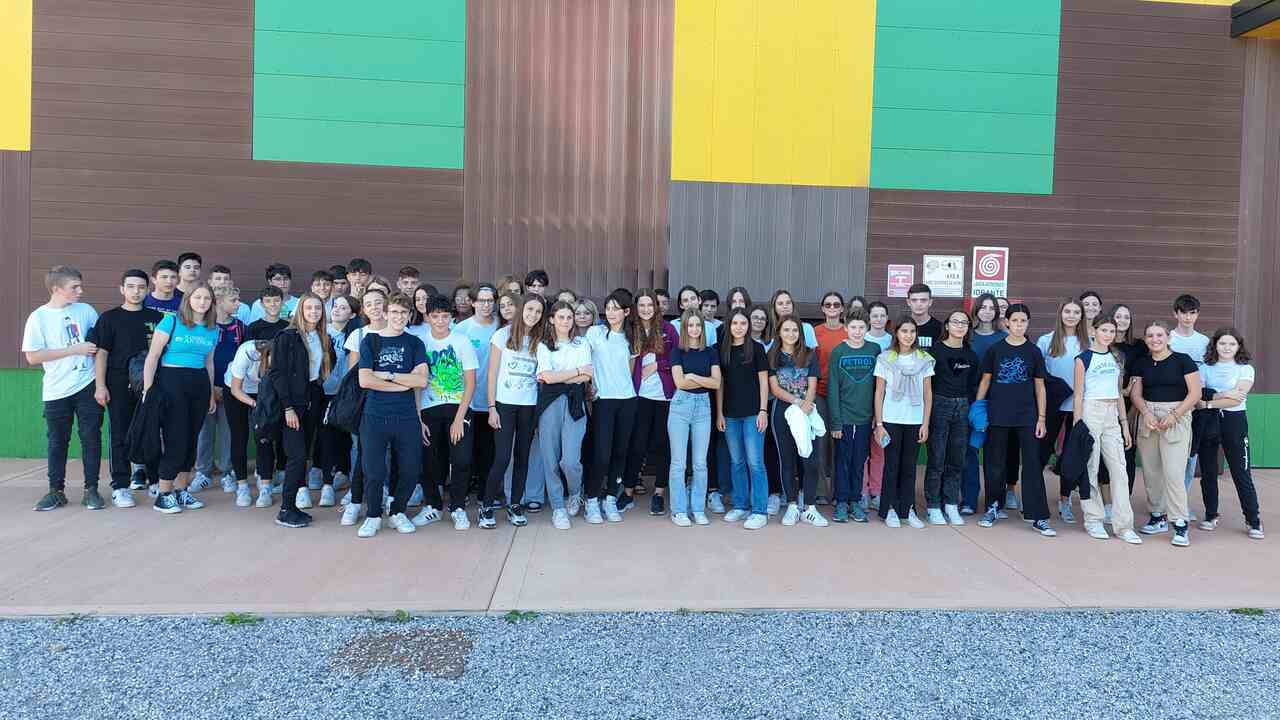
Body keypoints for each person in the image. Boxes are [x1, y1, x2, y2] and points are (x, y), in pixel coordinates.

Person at [24, 266, 104, 511]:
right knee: (57, 441)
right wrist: (73, 350)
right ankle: (55, 491)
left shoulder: (86, 310)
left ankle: (91, 490)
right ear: (56, 289)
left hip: (87, 384)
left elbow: (99, 346)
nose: (80, 291)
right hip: (56, 389)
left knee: (91, 437)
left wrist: (100, 384)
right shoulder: (38, 317)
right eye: (74, 287)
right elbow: (32, 356)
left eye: (80, 286)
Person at [975, 303, 1054, 537]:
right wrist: (977, 411)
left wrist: (1041, 418)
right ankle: (993, 507)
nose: (1019, 325)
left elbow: (1040, 387)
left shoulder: (1034, 352)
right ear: (1006, 322)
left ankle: (1038, 515)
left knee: (1032, 465)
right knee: (994, 463)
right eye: (1015, 320)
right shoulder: (995, 350)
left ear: (1028, 323)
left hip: (1027, 416)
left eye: (1023, 321)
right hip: (997, 415)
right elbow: (985, 382)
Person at [354, 292, 428, 538]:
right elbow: (365, 380)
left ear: (409, 316)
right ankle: (373, 516)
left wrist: (388, 375)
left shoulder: (415, 343)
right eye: (394, 312)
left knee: (410, 469)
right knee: (374, 471)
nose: (399, 317)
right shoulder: (371, 341)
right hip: (375, 415)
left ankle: (397, 511)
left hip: (406, 416)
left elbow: (422, 380)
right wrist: (402, 384)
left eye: (404, 313)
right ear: (385, 313)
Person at [142, 284, 218, 515]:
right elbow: (153, 356)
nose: (202, 302)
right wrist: (148, 389)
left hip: (199, 384)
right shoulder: (171, 322)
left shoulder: (212, 329)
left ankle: (181, 490)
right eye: (198, 297)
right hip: (172, 382)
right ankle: (164, 494)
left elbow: (209, 363)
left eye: (207, 298)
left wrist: (211, 394)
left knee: (191, 439)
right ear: (188, 299)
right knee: (176, 438)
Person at [91, 269, 164, 507]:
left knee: (151, 431)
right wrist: (100, 385)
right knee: (120, 434)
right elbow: (102, 354)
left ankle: (155, 480)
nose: (136, 291)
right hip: (118, 383)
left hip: (150, 382)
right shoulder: (109, 318)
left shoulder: (157, 317)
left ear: (147, 290)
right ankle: (121, 486)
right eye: (131, 287)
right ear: (122, 289)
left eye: (141, 287)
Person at [411, 293, 480, 529]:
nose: (440, 321)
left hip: (459, 408)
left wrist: (460, 419)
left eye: (445, 316)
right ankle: (433, 506)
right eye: (435, 316)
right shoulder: (420, 342)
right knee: (429, 460)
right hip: (429, 408)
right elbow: (417, 382)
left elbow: (471, 382)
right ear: (427, 317)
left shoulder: (461, 341)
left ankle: (458, 507)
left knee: (461, 459)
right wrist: (418, 417)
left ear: (451, 317)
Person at [1130, 320, 1201, 547]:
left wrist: (1175, 415)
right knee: (1151, 471)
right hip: (1149, 417)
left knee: (1173, 472)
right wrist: (1146, 413)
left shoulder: (1183, 360)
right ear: (1145, 339)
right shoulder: (1141, 363)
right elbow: (1136, 394)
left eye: (1159, 335)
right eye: (1150, 335)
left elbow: (1195, 393)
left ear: (1168, 338)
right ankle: (1157, 516)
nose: (1155, 339)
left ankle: (1179, 523)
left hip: (1176, 416)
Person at [1072, 315, 1141, 544]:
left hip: (1112, 414)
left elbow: (1118, 392)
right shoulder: (1083, 359)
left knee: (1120, 469)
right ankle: (1093, 519)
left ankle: (1124, 525)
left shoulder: (1117, 357)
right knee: (1091, 467)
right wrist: (1077, 424)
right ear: (1094, 331)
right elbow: (1079, 394)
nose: (1108, 335)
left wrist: (1124, 425)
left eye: (1112, 331)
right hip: (1091, 411)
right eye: (1104, 330)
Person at [268, 294, 332, 527]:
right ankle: (285, 509)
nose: (314, 312)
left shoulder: (322, 337)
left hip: (312, 400)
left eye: (318, 308)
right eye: (309, 308)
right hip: (291, 405)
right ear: (300, 311)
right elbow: (277, 373)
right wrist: (288, 407)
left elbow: (321, 369)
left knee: (303, 455)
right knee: (295, 456)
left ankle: (293, 506)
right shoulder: (287, 336)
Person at [1197, 328, 1263, 539]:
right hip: (1208, 422)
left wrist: (1208, 402)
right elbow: (1198, 396)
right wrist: (1222, 395)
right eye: (1222, 343)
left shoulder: (1245, 369)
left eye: (1232, 344)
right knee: (1208, 472)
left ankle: (1253, 520)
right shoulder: (1205, 368)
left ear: (1238, 346)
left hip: (1234, 422)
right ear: (1215, 345)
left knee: (1240, 472)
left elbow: (1236, 400)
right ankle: (1210, 515)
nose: (1227, 348)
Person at [484, 294, 544, 527]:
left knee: (522, 457)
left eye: (538, 311)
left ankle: (515, 504)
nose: (533, 315)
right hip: (504, 404)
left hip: (529, 405)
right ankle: (486, 507)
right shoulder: (502, 335)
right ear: (521, 309)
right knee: (502, 458)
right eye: (530, 309)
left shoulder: (541, 339)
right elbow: (492, 373)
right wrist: (492, 407)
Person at [535, 301, 593, 530]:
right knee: (550, 458)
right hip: (549, 404)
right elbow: (546, 377)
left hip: (575, 403)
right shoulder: (543, 346)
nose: (566, 321)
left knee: (570, 460)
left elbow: (587, 376)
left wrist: (561, 377)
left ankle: (575, 492)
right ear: (552, 319)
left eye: (569, 317)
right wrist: (576, 372)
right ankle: (558, 507)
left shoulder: (581, 343)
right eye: (561, 317)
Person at [768, 316, 830, 527]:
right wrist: (796, 402)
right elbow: (775, 389)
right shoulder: (773, 355)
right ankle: (792, 506)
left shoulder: (809, 354)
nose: (791, 334)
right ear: (779, 332)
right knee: (787, 461)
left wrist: (806, 405)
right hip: (782, 413)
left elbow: (812, 385)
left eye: (795, 330)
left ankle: (810, 508)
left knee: (810, 460)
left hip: (807, 411)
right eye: (786, 330)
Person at [873, 316, 934, 528]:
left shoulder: (924, 359)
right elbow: (879, 392)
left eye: (912, 331)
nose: (908, 335)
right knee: (892, 465)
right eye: (904, 331)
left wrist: (925, 423)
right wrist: (879, 424)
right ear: (896, 333)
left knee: (909, 467)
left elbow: (928, 393)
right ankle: (889, 508)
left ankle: (907, 509)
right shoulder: (886, 358)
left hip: (914, 420)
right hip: (891, 419)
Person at [583, 290, 638, 522]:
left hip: (627, 400)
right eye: (608, 308)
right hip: (603, 401)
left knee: (620, 452)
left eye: (616, 308)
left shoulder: (632, 337)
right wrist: (589, 386)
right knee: (602, 454)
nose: (611, 313)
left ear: (626, 312)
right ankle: (592, 499)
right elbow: (585, 362)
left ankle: (610, 498)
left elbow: (630, 370)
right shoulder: (595, 332)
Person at [339, 289, 390, 525]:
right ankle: (356, 496)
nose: (374, 308)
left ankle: (384, 491)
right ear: (363, 309)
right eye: (369, 304)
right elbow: (355, 375)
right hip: (364, 403)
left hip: (393, 401)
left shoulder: (398, 331)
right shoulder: (358, 335)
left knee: (389, 451)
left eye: (378, 302)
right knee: (361, 450)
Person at [1036, 298, 1090, 522]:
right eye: (1067, 311)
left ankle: (1064, 500)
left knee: (1071, 456)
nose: (1071, 316)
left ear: (1081, 316)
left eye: (1076, 312)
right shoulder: (1046, 340)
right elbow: (1039, 374)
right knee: (1040, 453)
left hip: (1078, 407)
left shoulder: (1089, 341)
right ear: (1060, 313)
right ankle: (1034, 498)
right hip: (1053, 406)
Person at [718, 309, 771, 530]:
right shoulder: (722, 350)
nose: (739, 327)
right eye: (735, 323)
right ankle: (740, 505)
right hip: (730, 414)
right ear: (728, 326)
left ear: (748, 326)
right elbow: (720, 384)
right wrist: (719, 413)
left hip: (753, 414)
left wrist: (763, 410)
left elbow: (764, 382)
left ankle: (759, 511)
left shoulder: (756, 349)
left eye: (743, 323)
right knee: (736, 461)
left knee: (755, 462)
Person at [623, 290, 676, 515]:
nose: (646, 309)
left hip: (664, 396)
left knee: (662, 444)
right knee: (637, 445)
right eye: (642, 305)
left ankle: (659, 494)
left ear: (656, 307)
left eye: (650, 305)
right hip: (638, 395)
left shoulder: (667, 329)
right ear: (636, 308)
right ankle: (627, 492)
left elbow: (678, 357)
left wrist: (657, 365)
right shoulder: (630, 329)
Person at [667, 310, 721, 526]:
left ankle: (698, 508)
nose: (694, 329)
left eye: (698, 325)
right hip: (680, 406)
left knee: (700, 463)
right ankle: (679, 510)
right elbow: (680, 383)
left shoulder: (711, 352)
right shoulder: (677, 352)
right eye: (690, 325)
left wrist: (693, 376)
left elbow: (716, 383)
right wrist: (702, 380)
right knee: (678, 463)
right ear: (684, 328)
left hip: (703, 407)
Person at [924, 310, 977, 526]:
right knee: (937, 458)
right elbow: (927, 384)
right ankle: (933, 505)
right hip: (939, 405)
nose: (959, 325)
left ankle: (951, 504)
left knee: (957, 459)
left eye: (964, 322)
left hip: (962, 407)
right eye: (955, 322)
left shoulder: (971, 355)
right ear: (946, 325)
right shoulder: (935, 352)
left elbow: (973, 384)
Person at [191, 286, 246, 493]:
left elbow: (244, 359)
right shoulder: (205, 326)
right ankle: (202, 473)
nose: (238, 304)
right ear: (219, 302)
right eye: (233, 300)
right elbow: (199, 357)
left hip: (232, 388)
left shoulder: (240, 327)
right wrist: (210, 387)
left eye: (238, 299)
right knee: (203, 432)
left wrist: (230, 386)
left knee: (228, 432)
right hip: (205, 388)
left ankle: (227, 472)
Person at [827, 308, 878, 524]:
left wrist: (876, 416)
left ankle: (855, 501)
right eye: (853, 327)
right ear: (846, 328)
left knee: (859, 461)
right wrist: (836, 422)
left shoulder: (874, 350)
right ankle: (841, 501)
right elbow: (833, 389)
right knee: (843, 461)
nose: (857, 331)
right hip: (844, 418)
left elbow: (878, 387)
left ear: (867, 328)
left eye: (861, 327)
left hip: (865, 418)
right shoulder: (838, 352)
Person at [963, 294, 1007, 514]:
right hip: (968, 400)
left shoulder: (1004, 337)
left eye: (992, 308)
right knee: (969, 451)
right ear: (976, 310)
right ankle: (969, 500)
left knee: (994, 455)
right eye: (983, 307)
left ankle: (994, 502)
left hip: (997, 402)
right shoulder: (967, 336)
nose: (987, 311)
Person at [456, 283, 500, 502]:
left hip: (493, 400)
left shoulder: (501, 327)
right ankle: (461, 495)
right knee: (465, 452)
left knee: (488, 451)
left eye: (490, 300)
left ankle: (485, 496)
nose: (486, 305)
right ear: (472, 302)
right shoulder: (462, 329)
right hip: (468, 400)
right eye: (481, 300)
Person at [1169, 293, 1209, 515]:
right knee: (1170, 455)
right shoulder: (1168, 339)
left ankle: (1181, 502)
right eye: (1183, 312)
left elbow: (1207, 374)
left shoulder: (1204, 342)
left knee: (1190, 455)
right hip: (1172, 405)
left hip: (1197, 406)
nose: (1187, 317)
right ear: (1175, 314)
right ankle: (1164, 504)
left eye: (1192, 313)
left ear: (1197, 315)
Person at [316, 294, 358, 506]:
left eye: (343, 307)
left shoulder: (356, 335)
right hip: (324, 392)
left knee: (347, 439)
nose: (337, 310)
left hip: (347, 394)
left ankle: (345, 475)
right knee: (326, 437)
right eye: (335, 306)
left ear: (352, 314)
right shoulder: (322, 332)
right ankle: (326, 484)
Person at [227, 339, 271, 507]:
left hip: (261, 391)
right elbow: (235, 389)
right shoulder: (245, 352)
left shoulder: (279, 355)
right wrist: (255, 405)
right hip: (236, 390)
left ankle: (265, 486)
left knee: (264, 437)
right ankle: (242, 486)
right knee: (239, 436)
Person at [813, 291, 846, 506]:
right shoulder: (815, 332)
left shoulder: (849, 332)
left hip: (843, 395)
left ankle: (837, 492)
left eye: (836, 304)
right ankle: (819, 491)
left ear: (842, 308)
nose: (832, 308)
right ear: (823, 308)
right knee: (820, 440)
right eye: (828, 304)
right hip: (819, 392)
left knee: (839, 443)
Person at [905, 284, 942, 352]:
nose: (919, 304)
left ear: (930, 302)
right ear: (908, 302)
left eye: (923, 300)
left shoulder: (940, 328)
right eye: (914, 300)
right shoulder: (901, 327)